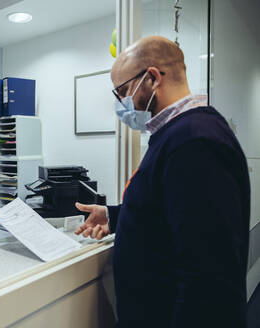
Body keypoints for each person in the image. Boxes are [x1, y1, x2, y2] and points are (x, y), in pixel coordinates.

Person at [75, 36, 250, 327]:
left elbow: (208, 276)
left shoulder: (194, 141)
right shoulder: (179, 133)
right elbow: (172, 213)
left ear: (152, 78)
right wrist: (114, 216)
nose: (121, 103)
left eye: (123, 91)